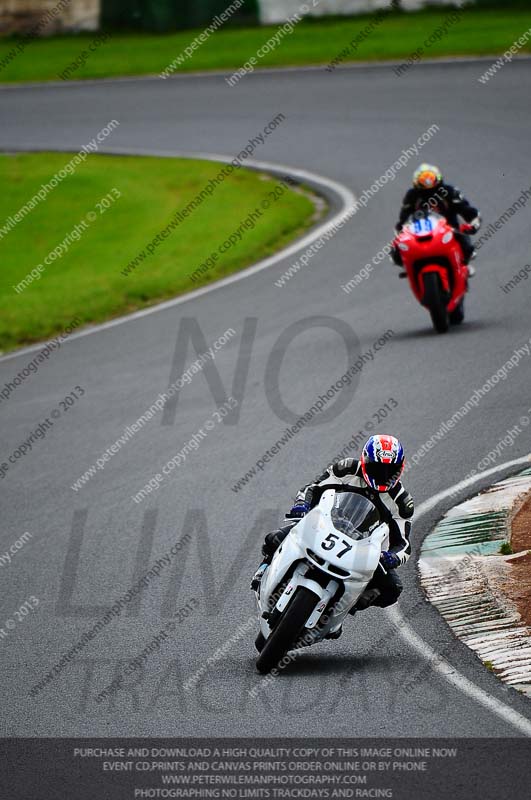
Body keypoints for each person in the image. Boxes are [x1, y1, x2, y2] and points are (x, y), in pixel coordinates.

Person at [251, 435, 414, 637]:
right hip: (323, 525)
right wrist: (302, 505)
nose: (384, 474)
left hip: (364, 549)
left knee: (392, 589)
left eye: (390, 470)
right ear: (364, 461)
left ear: (400, 468)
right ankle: (264, 569)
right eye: (378, 468)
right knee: (273, 539)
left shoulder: (401, 502)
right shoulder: (345, 469)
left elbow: (404, 544)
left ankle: (344, 607)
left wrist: (392, 557)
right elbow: (312, 488)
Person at [392, 163, 482, 275]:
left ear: (438, 179)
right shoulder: (412, 195)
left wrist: (473, 221)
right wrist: (400, 227)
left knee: (467, 248)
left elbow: (464, 207)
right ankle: (409, 266)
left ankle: (463, 266)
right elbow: (404, 214)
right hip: (419, 232)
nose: (428, 184)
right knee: (395, 250)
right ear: (416, 183)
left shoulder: (449, 191)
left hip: (449, 229)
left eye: (430, 178)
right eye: (423, 180)